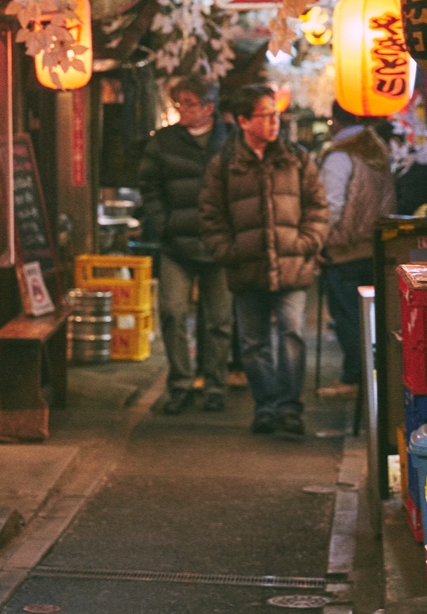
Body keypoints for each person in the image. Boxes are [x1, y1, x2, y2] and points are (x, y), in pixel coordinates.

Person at [198, 84, 329, 436]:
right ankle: (266, 406)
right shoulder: (225, 164)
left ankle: (289, 408)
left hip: (292, 265)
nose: (274, 122)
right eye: (265, 115)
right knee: (253, 344)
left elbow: (318, 206)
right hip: (247, 267)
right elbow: (211, 215)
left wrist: (307, 242)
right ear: (243, 121)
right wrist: (229, 251)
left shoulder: (296, 158)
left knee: (292, 335)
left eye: (275, 115)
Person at [136, 75, 233, 414]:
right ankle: (180, 383)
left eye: (190, 104)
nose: (183, 110)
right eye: (180, 103)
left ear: (209, 108)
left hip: (219, 244)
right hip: (176, 243)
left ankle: (215, 384)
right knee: (172, 312)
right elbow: (148, 185)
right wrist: (162, 224)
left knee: (218, 320)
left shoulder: (230, 141)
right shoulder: (164, 141)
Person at [316, 106, 396, 399]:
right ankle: (371, 378)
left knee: (349, 316)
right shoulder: (377, 152)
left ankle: (355, 378)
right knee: (371, 317)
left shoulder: (339, 157)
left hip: (344, 249)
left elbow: (331, 205)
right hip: (375, 246)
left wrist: (319, 241)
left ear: (336, 121)